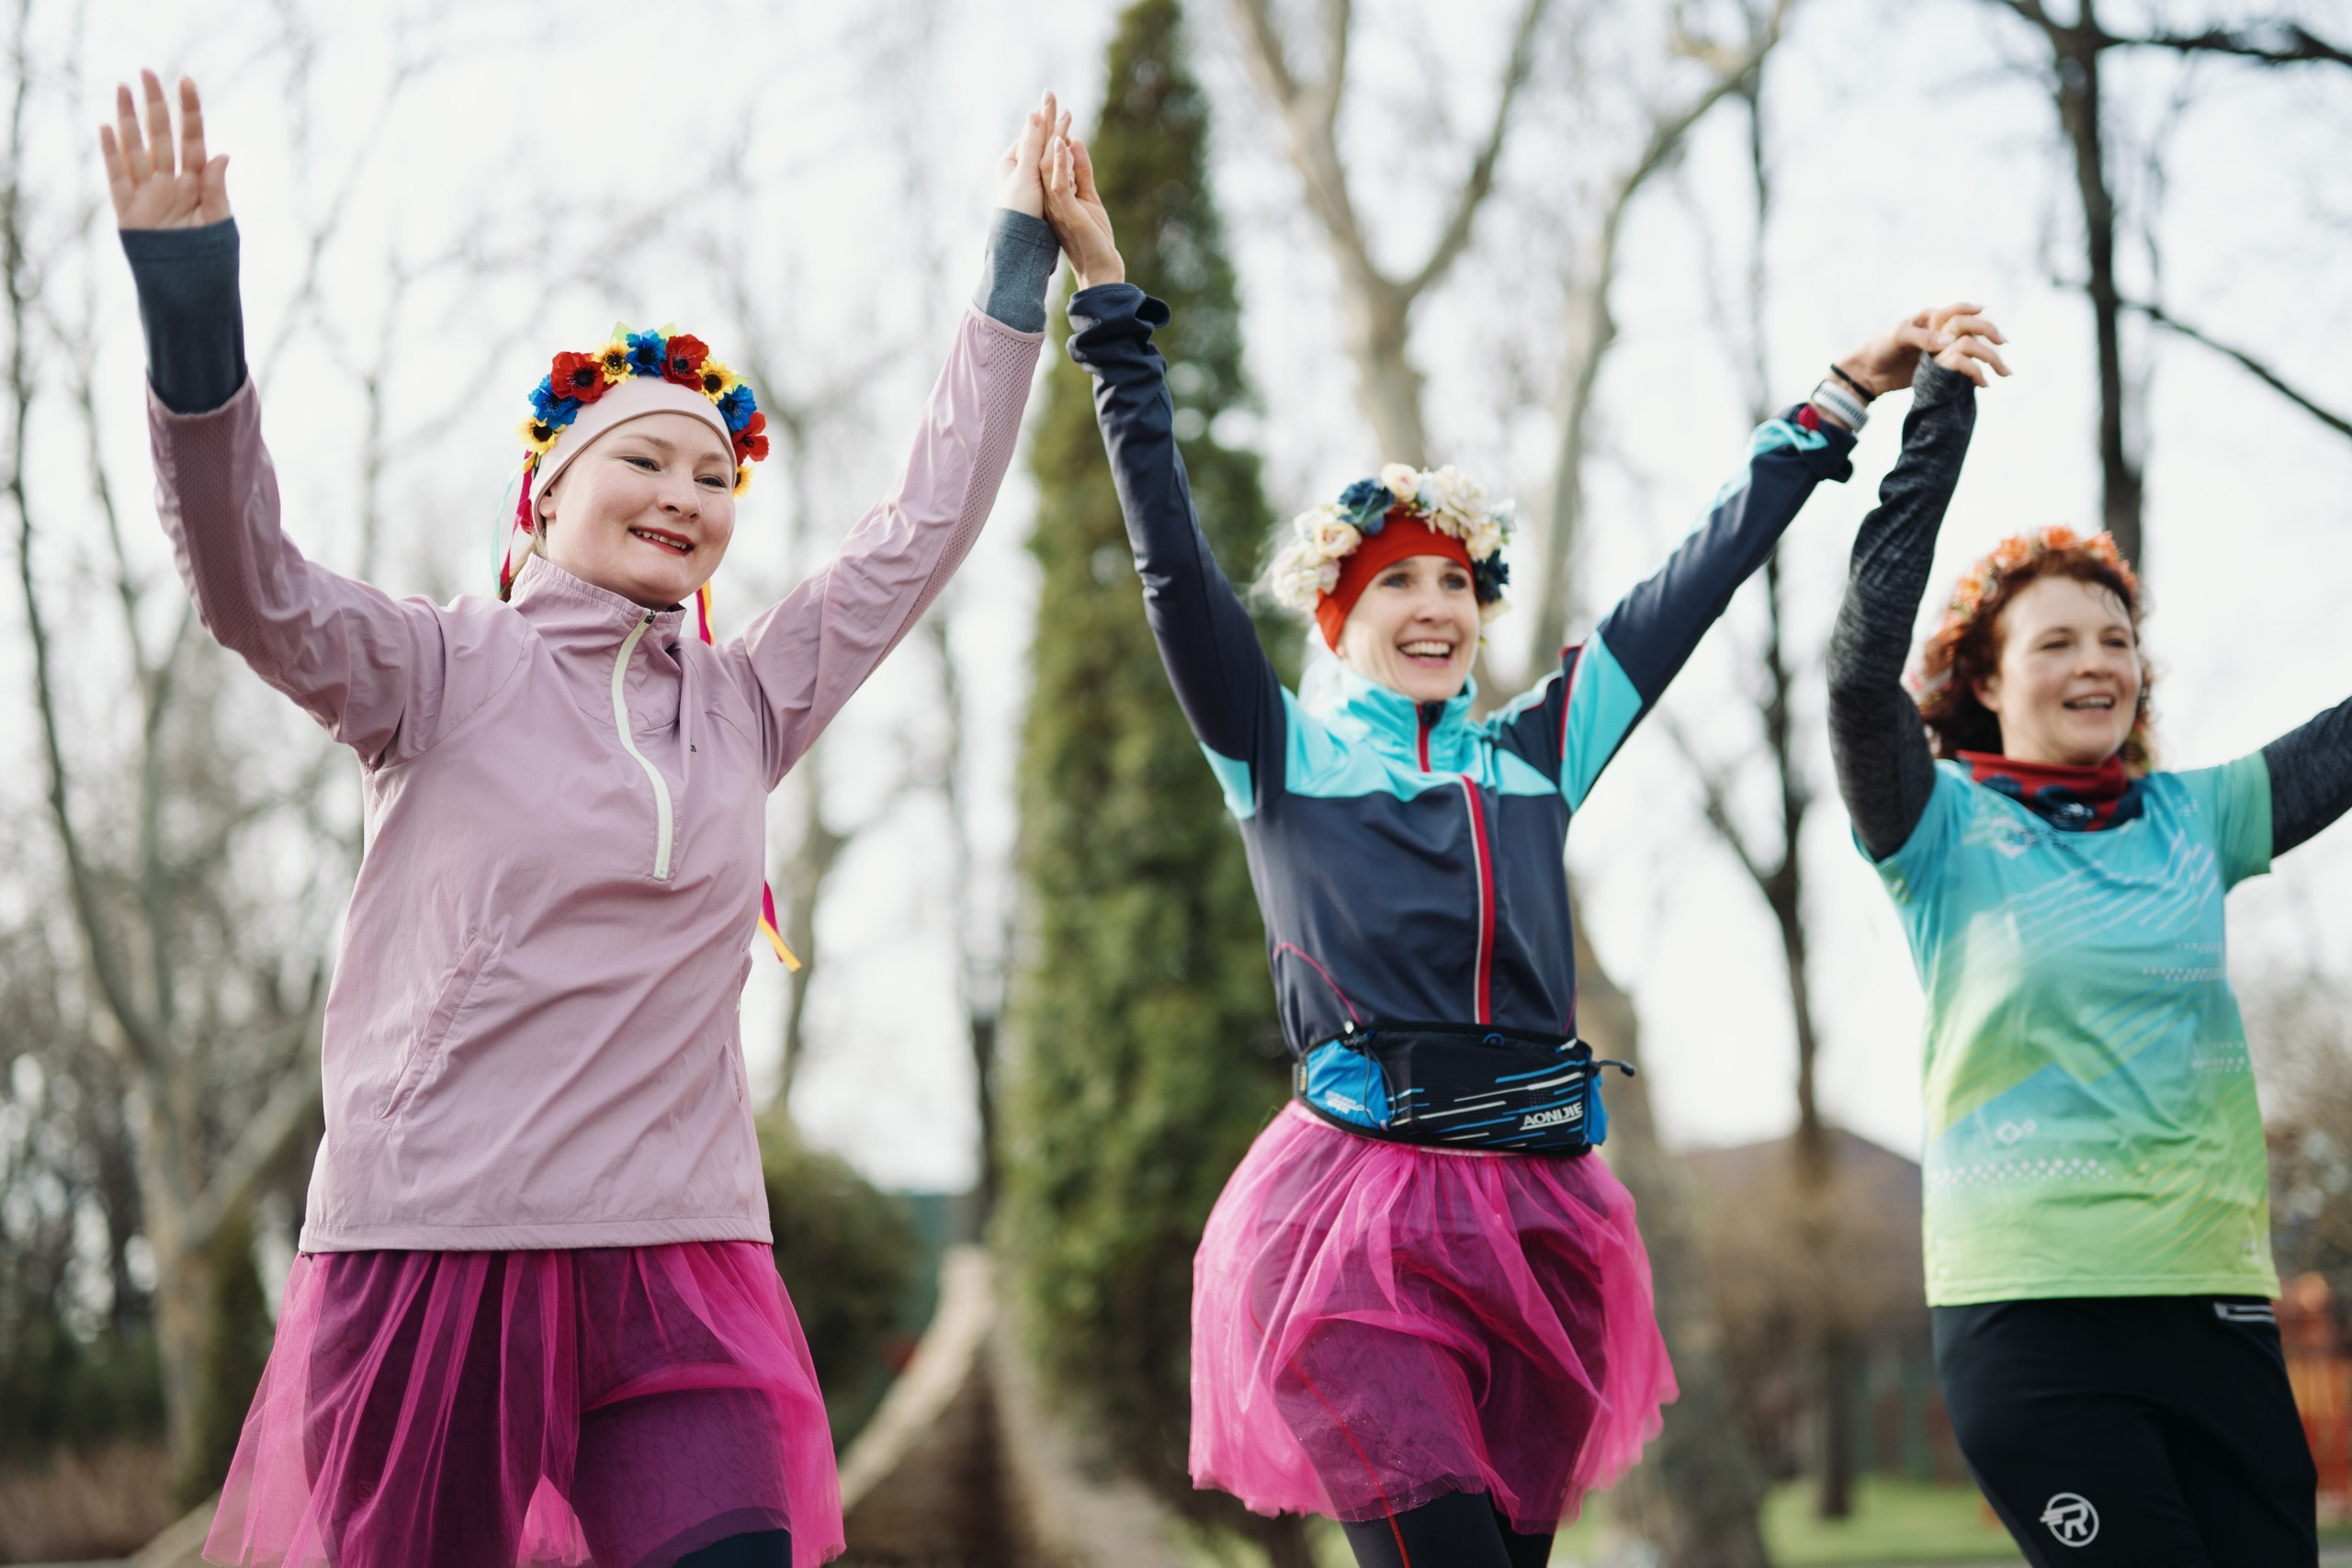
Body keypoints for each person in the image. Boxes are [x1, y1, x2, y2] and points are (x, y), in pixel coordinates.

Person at [99, 70, 1065, 1568]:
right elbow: (248, 581)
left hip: (678, 1268)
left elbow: (919, 531)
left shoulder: (747, 704)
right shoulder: (433, 670)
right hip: (435, 1259)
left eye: (714, 473)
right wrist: (189, 303)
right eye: (646, 459)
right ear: (544, 495)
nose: (689, 493)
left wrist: (1013, 273)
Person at [1040, 132, 1989, 1567]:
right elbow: (1171, 558)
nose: (1433, 608)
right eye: (1393, 584)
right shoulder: (1277, 748)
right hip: (1351, 1226)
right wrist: (1110, 309)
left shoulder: (1535, 752)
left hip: (1546, 1219)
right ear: (1333, 617)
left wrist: (1841, 397)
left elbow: (1698, 580)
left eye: (1455, 586)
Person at [1826, 331, 2352, 1565]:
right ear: (1987, 684)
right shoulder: (1935, 822)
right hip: (2031, 1313)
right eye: (2056, 642)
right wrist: (1935, 427)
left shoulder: (2197, 818)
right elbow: (1856, 683)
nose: (2096, 661)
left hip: (2214, 1301)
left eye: (2114, 639)